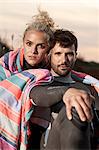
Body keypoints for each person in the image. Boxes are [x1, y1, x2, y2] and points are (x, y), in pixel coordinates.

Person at [0, 10, 97, 150]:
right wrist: (66, 92)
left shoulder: (44, 75)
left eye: (40, 46)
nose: (33, 51)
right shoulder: (8, 67)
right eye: (29, 44)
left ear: (47, 53)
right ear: (23, 43)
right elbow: (33, 91)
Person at [30, 29, 99, 150]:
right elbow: (35, 95)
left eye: (69, 54)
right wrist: (66, 92)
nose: (64, 60)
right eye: (58, 54)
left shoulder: (87, 88)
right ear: (49, 55)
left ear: (76, 56)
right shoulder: (39, 82)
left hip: (84, 142)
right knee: (75, 108)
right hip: (49, 144)